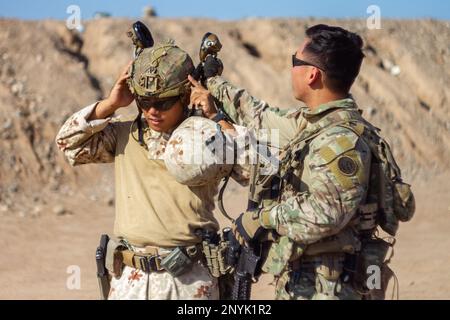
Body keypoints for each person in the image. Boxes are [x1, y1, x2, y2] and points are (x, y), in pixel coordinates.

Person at [191, 24, 414, 300]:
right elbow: (259, 115)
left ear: (312, 74)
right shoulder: (316, 125)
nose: (291, 68)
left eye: (294, 61)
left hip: (328, 287)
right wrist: (213, 83)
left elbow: (326, 212)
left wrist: (260, 219)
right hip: (308, 280)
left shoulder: (340, 141)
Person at [55, 40, 242, 300]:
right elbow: (68, 144)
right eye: (144, 101)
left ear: (185, 96)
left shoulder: (207, 140)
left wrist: (217, 118)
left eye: (163, 103)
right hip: (130, 282)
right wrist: (110, 104)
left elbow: (255, 168)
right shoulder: (123, 135)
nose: (152, 111)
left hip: (188, 285)